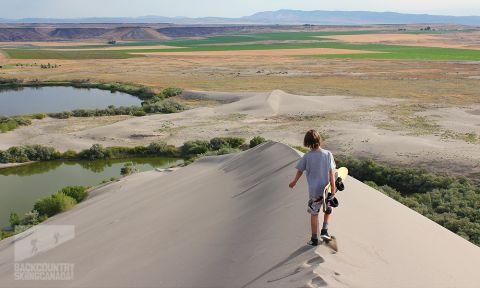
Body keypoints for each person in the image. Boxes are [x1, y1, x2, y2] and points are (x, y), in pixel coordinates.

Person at [289, 129, 336, 246]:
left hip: (314, 191)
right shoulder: (328, 154)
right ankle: (324, 230)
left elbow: (300, 170)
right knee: (328, 209)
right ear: (319, 140)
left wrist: (294, 181)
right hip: (326, 189)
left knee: (314, 213)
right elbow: (331, 173)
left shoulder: (307, 156)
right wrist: (333, 188)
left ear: (307, 142)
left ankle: (314, 239)